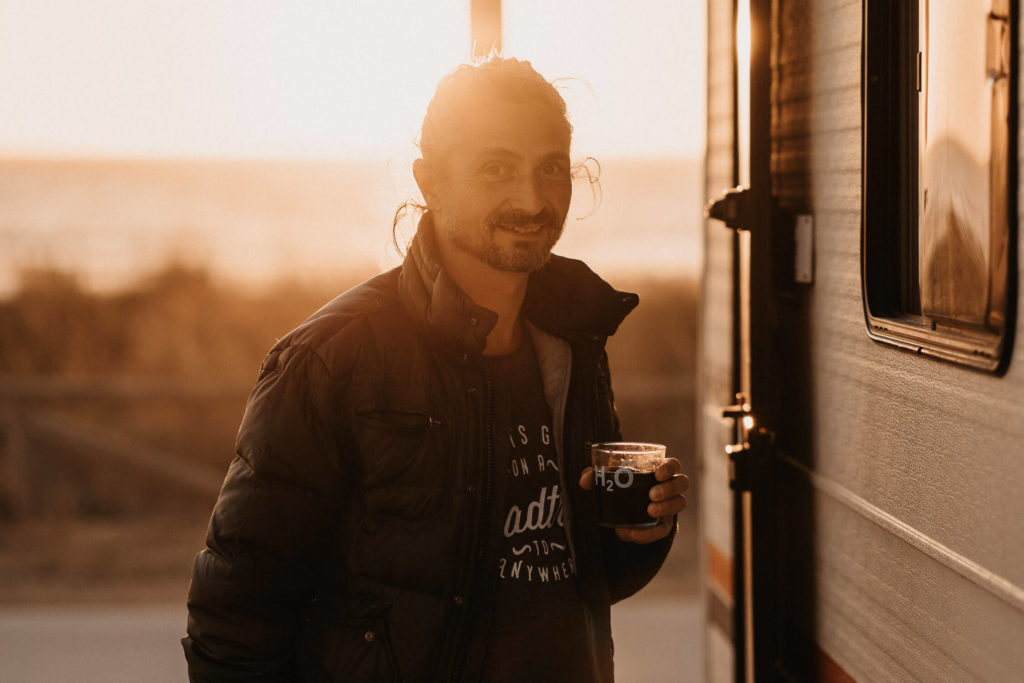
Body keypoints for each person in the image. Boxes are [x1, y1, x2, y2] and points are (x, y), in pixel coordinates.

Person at [182, 56, 689, 682]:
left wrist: (641, 533)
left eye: (551, 167)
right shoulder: (332, 359)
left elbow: (571, 578)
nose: (531, 198)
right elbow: (234, 620)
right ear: (431, 182)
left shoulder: (572, 343)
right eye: (495, 167)